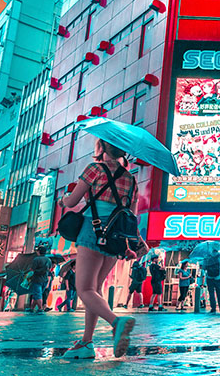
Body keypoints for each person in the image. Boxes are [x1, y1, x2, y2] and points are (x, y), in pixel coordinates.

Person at [56, 139, 140, 359]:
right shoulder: (131, 179)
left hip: (92, 231)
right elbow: (131, 216)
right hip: (115, 237)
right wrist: (132, 244)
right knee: (95, 289)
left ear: (101, 148)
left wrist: (63, 200)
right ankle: (86, 342)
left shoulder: (95, 168)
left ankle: (117, 322)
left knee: (84, 288)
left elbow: (72, 202)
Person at [29, 244, 53, 314]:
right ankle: (32, 308)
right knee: (36, 295)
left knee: (38, 295)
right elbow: (49, 269)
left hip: (37, 279)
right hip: (45, 280)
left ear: (39, 251)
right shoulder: (48, 260)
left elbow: (32, 269)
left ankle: (40, 309)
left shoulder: (36, 259)